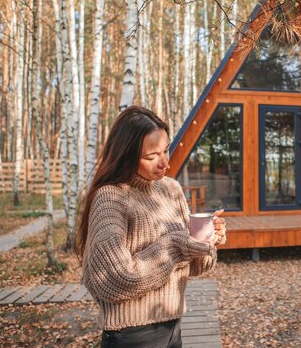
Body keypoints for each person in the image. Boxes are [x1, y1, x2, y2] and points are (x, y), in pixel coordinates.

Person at [75, 105, 226, 348]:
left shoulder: (171, 189)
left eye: (165, 150)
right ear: (126, 155)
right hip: (132, 334)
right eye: (150, 156)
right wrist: (179, 245)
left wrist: (207, 243)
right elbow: (115, 279)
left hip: (173, 325)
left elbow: (194, 266)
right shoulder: (110, 198)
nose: (164, 162)